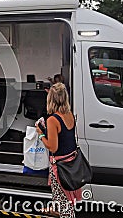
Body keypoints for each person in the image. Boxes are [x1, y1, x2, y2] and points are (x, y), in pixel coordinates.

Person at [36, 83, 81, 217]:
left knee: (65, 204)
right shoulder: (69, 114)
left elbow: (53, 146)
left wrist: (41, 134)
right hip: (71, 163)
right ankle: (57, 211)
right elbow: (63, 138)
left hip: (60, 167)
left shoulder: (52, 119)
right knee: (64, 199)